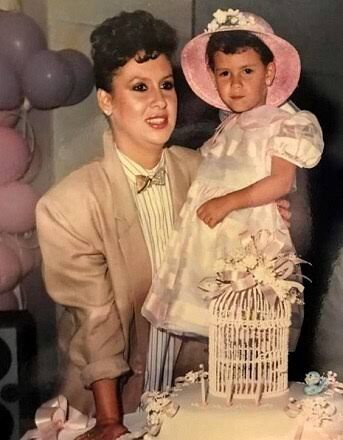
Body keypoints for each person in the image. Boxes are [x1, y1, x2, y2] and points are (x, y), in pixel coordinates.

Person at [36, 9, 291, 440]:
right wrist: (111, 421)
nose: (160, 102)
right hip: (111, 402)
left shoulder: (209, 169)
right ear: (105, 100)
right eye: (139, 88)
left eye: (166, 85)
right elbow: (96, 323)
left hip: (198, 397)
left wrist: (264, 215)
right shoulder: (68, 205)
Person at [142, 9, 324, 345]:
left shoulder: (284, 123)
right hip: (209, 244)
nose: (236, 84)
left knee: (251, 329)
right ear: (212, 76)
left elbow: (281, 181)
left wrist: (229, 201)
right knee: (215, 336)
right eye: (224, 73)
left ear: (269, 72)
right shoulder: (227, 127)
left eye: (247, 71)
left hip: (248, 242)